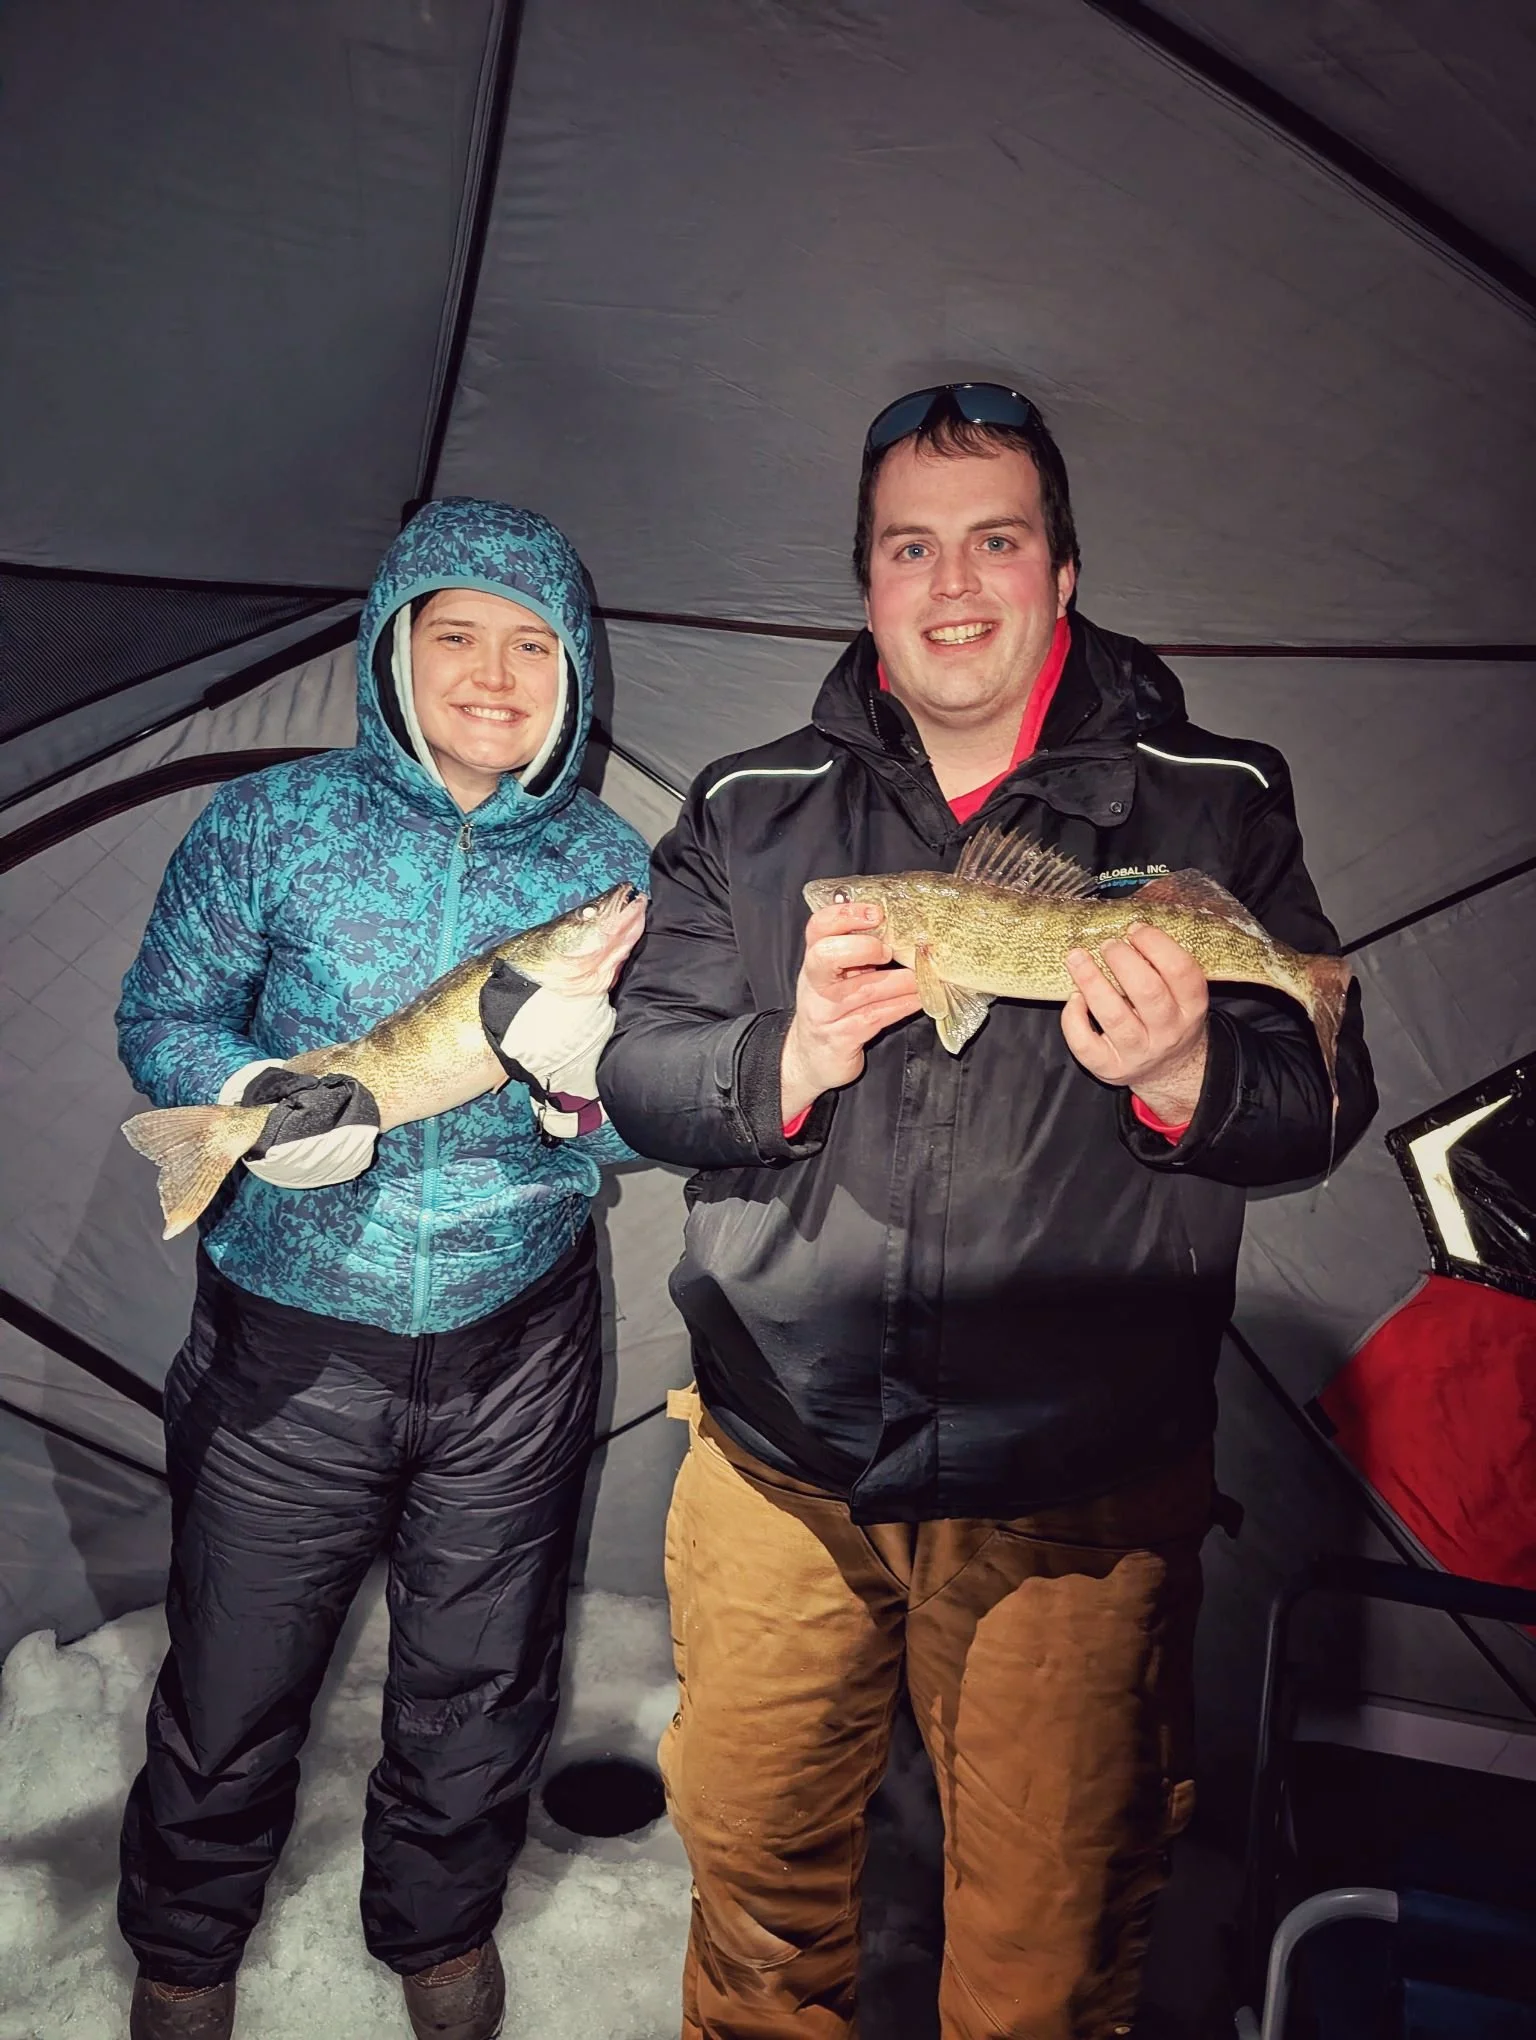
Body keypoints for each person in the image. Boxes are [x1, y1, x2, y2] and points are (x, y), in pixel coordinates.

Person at [599, 385, 1377, 2039]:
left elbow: (1321, 1100)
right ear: (866, 582)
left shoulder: (1215, 799)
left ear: (1063, 569)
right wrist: (785, 1053)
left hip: (1076, 1496)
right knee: (754, 1903)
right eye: (911, 548)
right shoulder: (744, 807)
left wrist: (1185, 1074)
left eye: (996, 541)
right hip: (779, 1465)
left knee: (1046, 1957)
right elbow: (640, 1071)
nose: (953, 585)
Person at [115, 498, 650, 2040]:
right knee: (230, 1682)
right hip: (289, 1346)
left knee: (481, 1683)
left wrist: (581, 1091)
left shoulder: (612, 865)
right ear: (391, 647)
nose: (494, 675)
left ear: (576, 670)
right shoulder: (269, 823)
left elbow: (646, 1117)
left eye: (533, 645)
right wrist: (257, 1100)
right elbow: (162, 1017)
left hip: (518, 1342)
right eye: (456, 634)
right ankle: (184, 1950)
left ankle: (440, 1930)